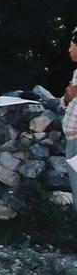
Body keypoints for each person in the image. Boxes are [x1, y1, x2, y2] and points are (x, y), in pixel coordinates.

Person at [63, 29, 77, 202]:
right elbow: (67, 101)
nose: (69, 50)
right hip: (73, 140)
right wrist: (68, 96)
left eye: (71, 45)